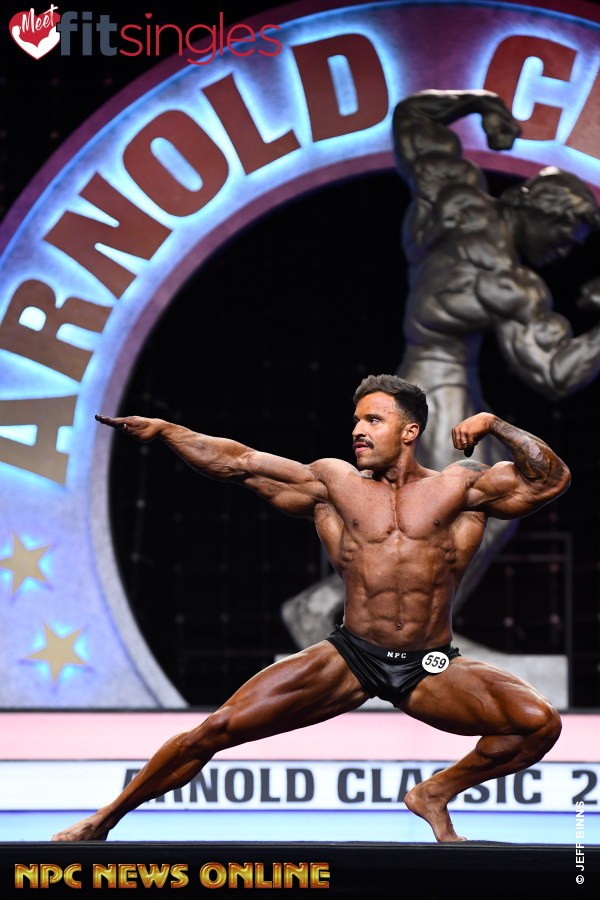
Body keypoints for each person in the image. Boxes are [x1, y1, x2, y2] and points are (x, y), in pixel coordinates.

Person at [51, 373, 570, 843]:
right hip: (352, 656)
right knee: (214, 731)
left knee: (538, 723)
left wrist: (495, 424)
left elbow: (550, 479)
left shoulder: (462, 485)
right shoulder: (333, 483)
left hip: (430, 665)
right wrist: (169, 431)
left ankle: (433, 793)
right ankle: (103, 820)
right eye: (356, 421)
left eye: (373, 420)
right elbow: (239, 462)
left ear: (410, 431)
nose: (358, 431)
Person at [282, 88, 600, 650]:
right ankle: (377, 621)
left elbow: (414, 117)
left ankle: (373, 615)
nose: (565, 251)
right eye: (564, 236)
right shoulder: (511, 284)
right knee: (468, 507)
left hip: (428, 379)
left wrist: (483, 105)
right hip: (441, 389)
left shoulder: (456, 198)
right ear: (540, 209)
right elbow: (553, 373)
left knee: (457, 509)